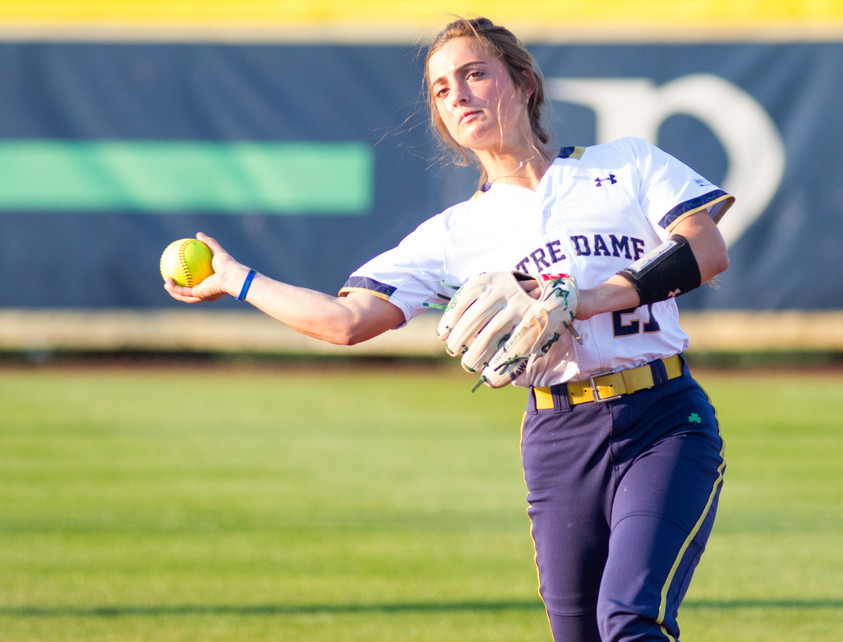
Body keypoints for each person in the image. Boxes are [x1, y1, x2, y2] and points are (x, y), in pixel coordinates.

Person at [165, 16, 733, 642]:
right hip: (557, 437)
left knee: (628, 620)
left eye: (474, 75)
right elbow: (346, 321)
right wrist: (237, 279)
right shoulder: (453, 235)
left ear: (523, 85)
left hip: (662, 417)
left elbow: (704, 250)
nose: (457, 95)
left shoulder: (624, 164)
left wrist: (578, 300)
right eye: (441, 89)